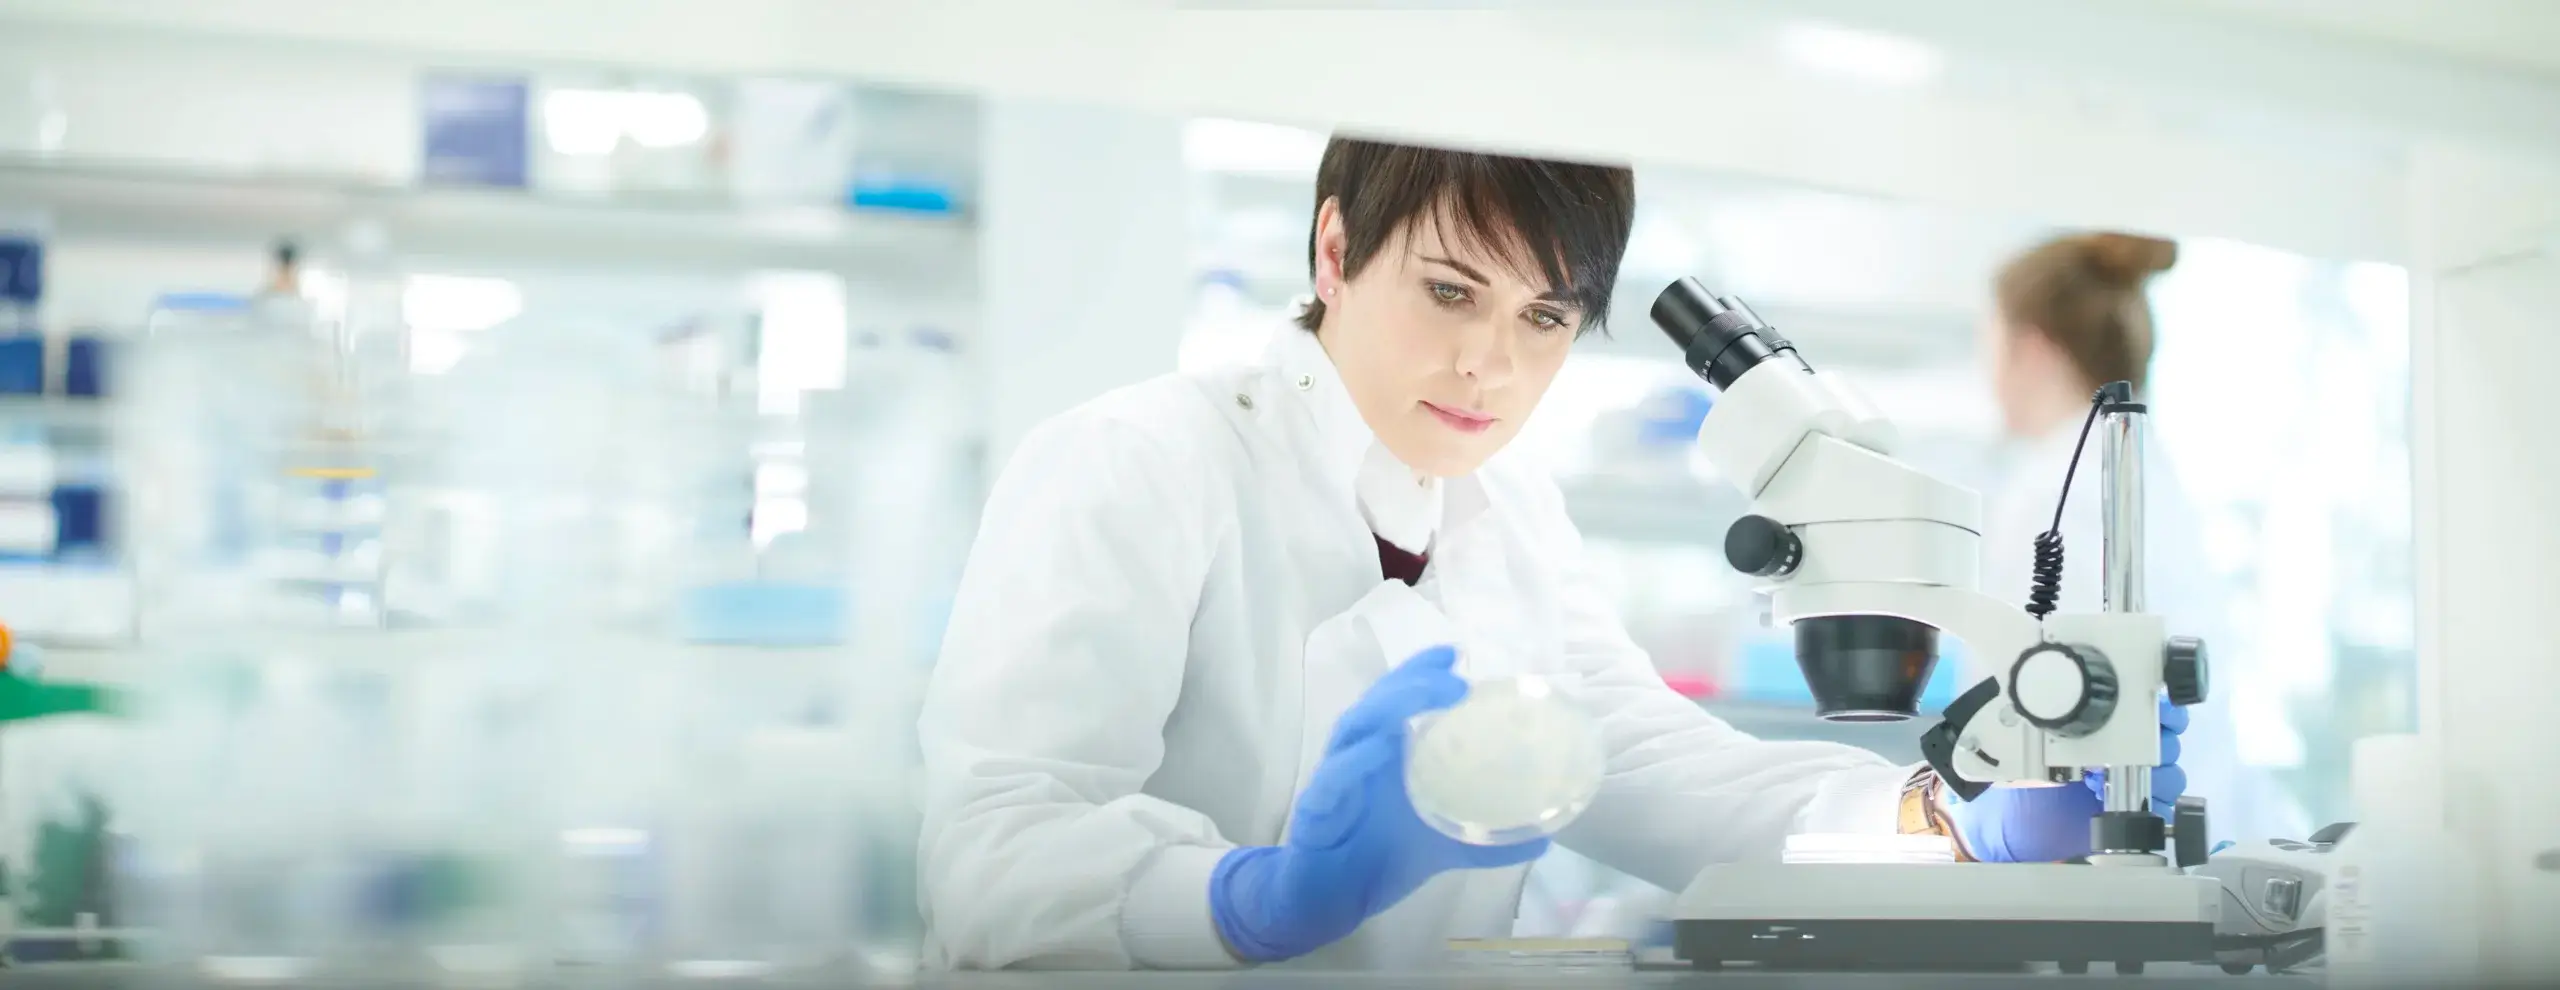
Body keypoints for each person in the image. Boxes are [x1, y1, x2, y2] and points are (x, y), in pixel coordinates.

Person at [917, 137, 2196, 971]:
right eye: (1449, 292)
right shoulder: (1141, 460)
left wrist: (1943, 823)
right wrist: (1247, 898)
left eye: (1545, 318)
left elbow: (1644, 762)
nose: (1493, 365)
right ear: (1331, 251)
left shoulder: (1507, 504)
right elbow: (992, 858)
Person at [1973, 232, 2308, 846]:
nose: (1986, 375)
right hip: (2201, 832)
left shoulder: (2056, 487)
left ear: (2032, 349)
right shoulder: (2141, 467)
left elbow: (2047, 709)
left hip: (2110, 846)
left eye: (1988, 346)